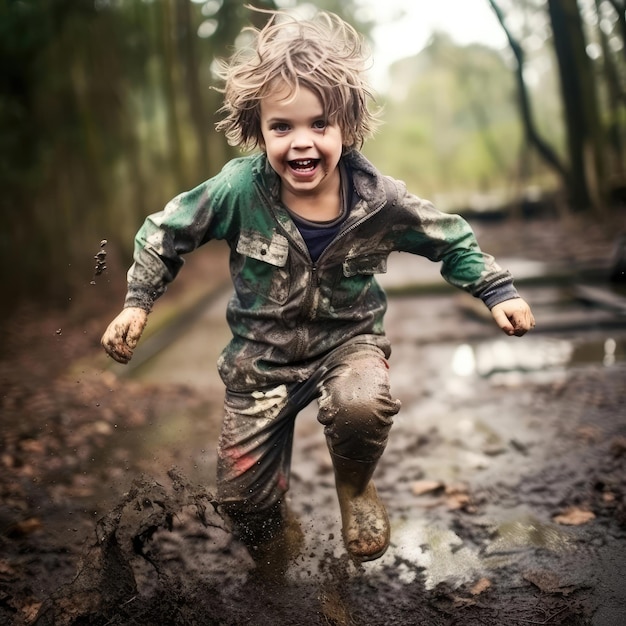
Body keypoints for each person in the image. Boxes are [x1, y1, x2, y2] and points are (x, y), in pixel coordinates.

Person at [101, 8, 535, 575]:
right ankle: (274, 545)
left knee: (362, 405)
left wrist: (497, 290)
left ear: (346, 127)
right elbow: (165, 231)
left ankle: (354, 487)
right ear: (259, 131)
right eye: (282, 127)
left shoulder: (380, 199)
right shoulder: (238, 190)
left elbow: (448, 238)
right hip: (261, 363)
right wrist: (138, 302)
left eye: (319, 125)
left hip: (347, 346)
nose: (301, 143)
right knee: (241, 502)